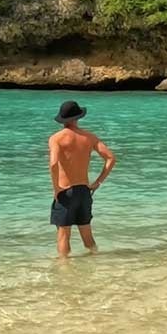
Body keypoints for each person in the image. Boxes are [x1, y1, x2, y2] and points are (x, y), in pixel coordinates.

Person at [48, 100, 115, 257]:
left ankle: (64, 270)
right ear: (77, 117)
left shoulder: (56, 138)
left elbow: (53, 164)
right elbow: (111, 158)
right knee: (87, 235)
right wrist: (97, 182)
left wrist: (56, 188)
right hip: (84, 191)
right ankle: (95, 260)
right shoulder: (89, 137)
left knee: (63, 235)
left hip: (66, 191)